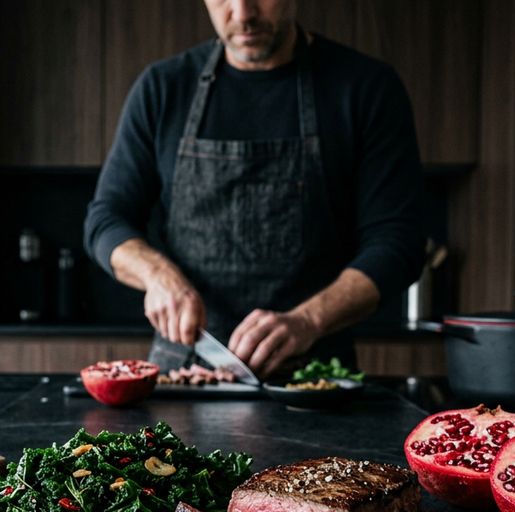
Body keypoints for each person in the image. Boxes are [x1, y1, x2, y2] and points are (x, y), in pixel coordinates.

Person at [83, 0, 426, 378]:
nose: (243, 13)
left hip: (313, 380)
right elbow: (105, 219)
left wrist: (308, 320)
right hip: (188, 374)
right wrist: (157, 275)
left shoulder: (365, 88)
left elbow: (399, 241)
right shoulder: (163, 88)